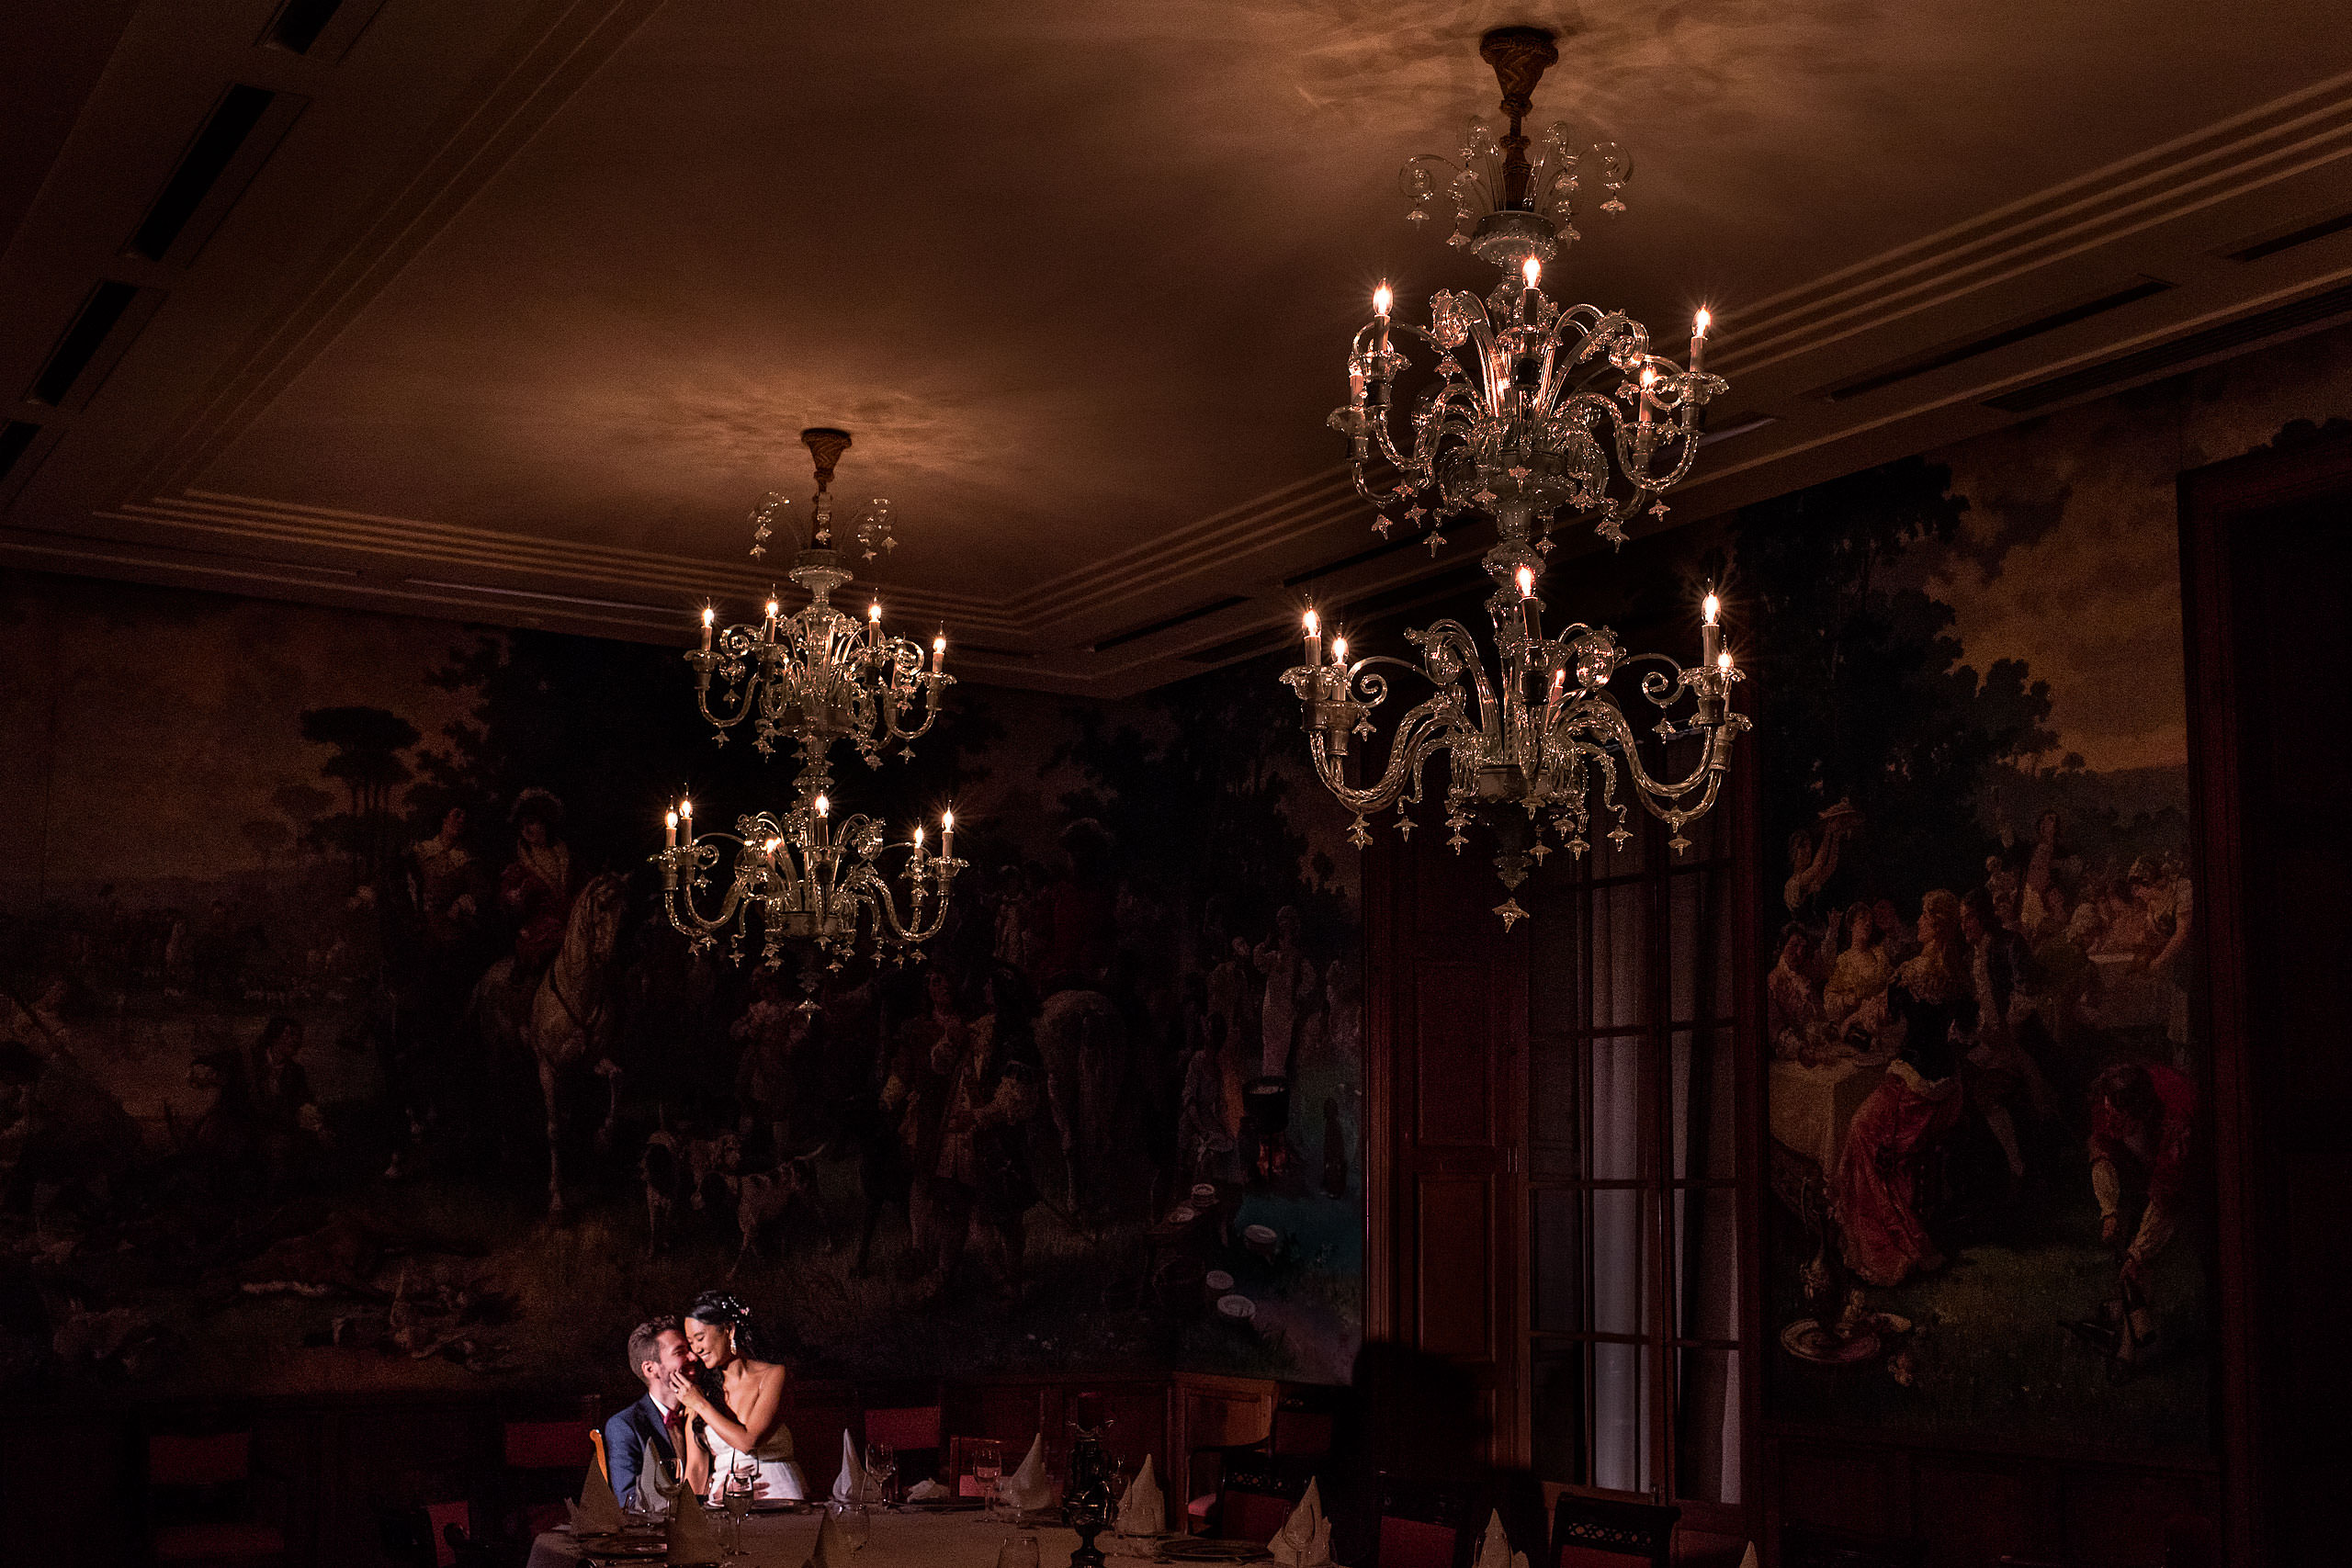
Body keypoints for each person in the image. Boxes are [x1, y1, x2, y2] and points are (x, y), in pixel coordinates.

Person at [1829, 890, 1972, 1287]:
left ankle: (1896, 1249)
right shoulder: (1959, 973)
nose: (1919, 922)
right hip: (1948, 1090)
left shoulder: (1911, 973)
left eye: (1925, 917)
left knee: (1860, 1132)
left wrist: (1850, 1022)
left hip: (1914, 1089)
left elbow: (1880, 1017)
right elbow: (1966, 1029)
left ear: (1935, 926)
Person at [671, 1291, 808, 1500]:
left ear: (729, 1330)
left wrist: (700, 1404)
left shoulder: (774, 1375)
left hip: (778, 1494)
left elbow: (749, 1442)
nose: (696, 1349)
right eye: (691, 1342)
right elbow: (697, 1468)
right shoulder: (701, 1391)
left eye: (700, 1338)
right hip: (722, 1498)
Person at [606, 1316, 709, 1510]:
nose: (694, 1357)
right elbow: (629, 1501)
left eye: (690, 1350)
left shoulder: (709, 1409)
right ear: (650, 1369)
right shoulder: (625, 1425)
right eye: (680, 1352)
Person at [500, 788, 575, 981]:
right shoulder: (517, 871)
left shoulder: (571, 862)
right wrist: (515, 900)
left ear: (545, 823)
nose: (526, 830)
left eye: (531, 823)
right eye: (522, 826)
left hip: (574, 930)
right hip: (538, 937)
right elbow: (509, 909)